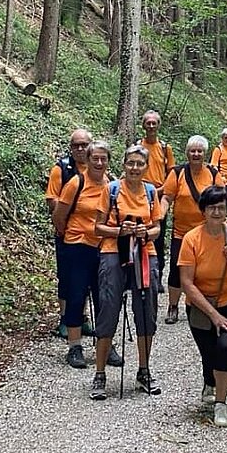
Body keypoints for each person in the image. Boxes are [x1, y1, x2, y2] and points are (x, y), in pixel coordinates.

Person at [178, 185, 227, 427]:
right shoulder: (191, 239)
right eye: (212, 207)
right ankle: (209, 380)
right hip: (200, 304)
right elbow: (186, 283)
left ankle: (221, 404)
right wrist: (213, 315)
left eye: (221, 208)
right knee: (208, 352)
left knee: (224, 347)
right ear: (203, 210)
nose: (216, 212)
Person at [90, 144, 162, 400]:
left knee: (146, 310)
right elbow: (98, 227)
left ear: (146, 167)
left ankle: (144, 370)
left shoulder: (151, 192)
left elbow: (157, 228)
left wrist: (145, 233)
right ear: (123, 165)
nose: (134, 168)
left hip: (145, 253)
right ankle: (100, 373)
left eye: (139, 164)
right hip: (113, 252)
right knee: (109, 308)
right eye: (130, 163)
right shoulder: (111, 190)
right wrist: (120, 231)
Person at [52, 140, 122, 370]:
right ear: (88, 160)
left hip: (104, 247)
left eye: (103, 159)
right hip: (78, 246)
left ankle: (105, 345)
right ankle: (75, 347)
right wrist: (70, 236)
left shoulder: (112, 184)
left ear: (108, 161)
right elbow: (59, 215)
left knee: (105, 298)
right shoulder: (76, 182)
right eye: (95, 158)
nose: (99, 163)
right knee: (76, 296)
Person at [161, 135, 225, 324]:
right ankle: (173, 306)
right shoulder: (177, 172)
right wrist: (160, 214)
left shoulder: (213, 173)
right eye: (192, 151)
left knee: (205, 269)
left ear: (205, 153)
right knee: (176, 269)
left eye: (200, 151)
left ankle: (204, 306)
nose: (196, 154)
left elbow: (222, 199)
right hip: (181, 233)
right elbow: (167, 197)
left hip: (207, 232)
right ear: (187, 153)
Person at [45, 128, 93, 337]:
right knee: (66, 277)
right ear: (71, 148)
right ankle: (65, 318)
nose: (80, 149)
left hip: (91, 236)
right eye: (76, 145)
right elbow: (52, 200)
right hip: (66, 234)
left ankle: (81, 317)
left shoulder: (96, 167)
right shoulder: (62, 169)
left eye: (84, 145)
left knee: (86, 278)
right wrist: (65, 222)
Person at [137, 110, 175, 291]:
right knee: (138, 234)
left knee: (158, 236)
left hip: (159, 197)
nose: (151, 126)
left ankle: (156, 276)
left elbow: (172, 174)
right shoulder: (138, 146)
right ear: (143, 125)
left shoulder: (165, 148)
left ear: (159, 125)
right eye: (148, 123)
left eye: (154, 123)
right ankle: (136, 274)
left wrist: (159, 191)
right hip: (138, 196)